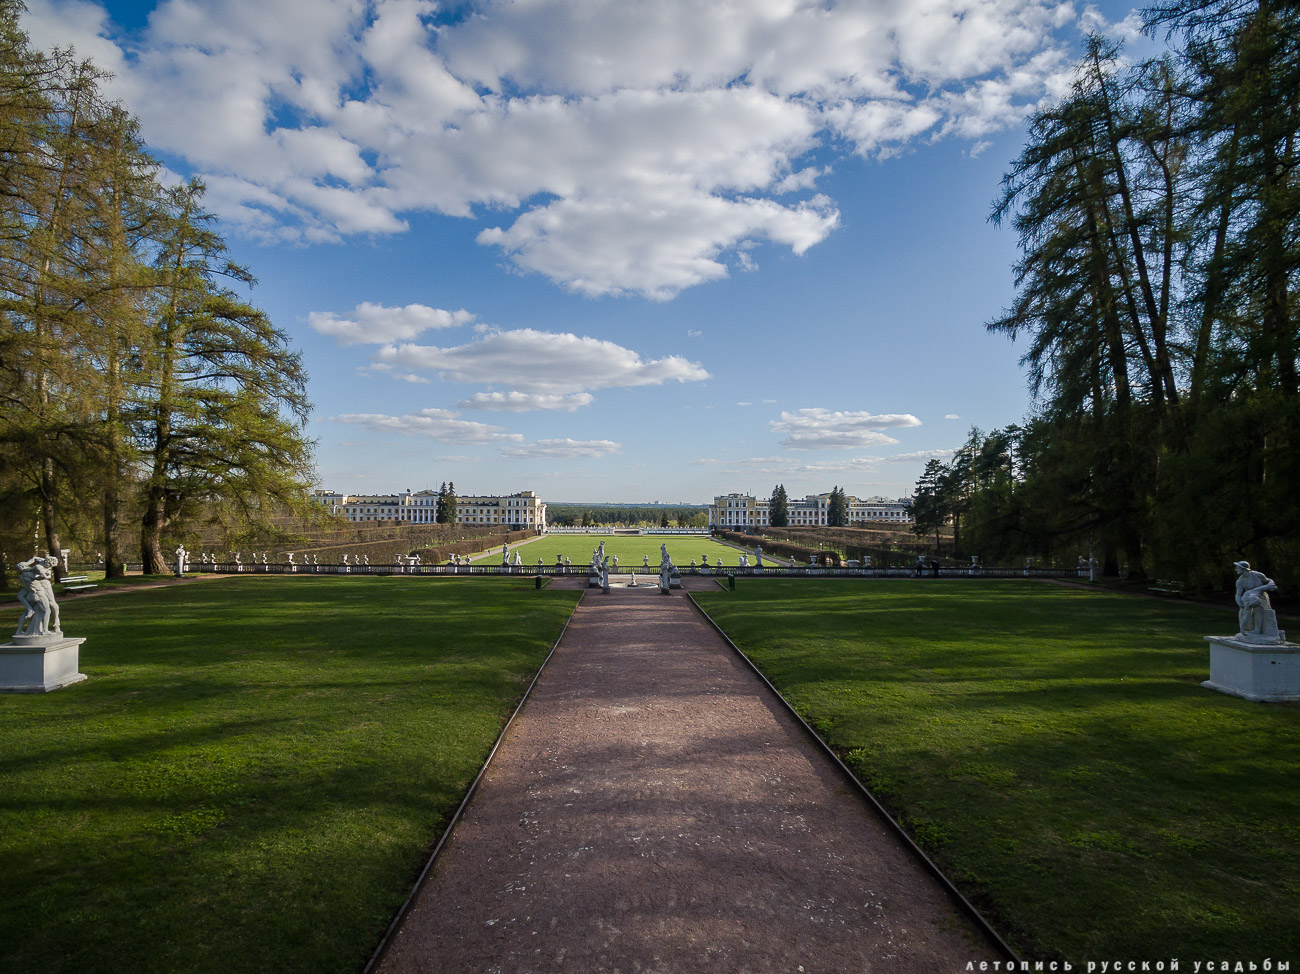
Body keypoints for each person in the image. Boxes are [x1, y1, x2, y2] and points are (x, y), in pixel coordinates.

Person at [1234, 561, 1280, 639]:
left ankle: (1258, 629)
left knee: (1259, 609)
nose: (1236, 569)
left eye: (1237, 568)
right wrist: (1240, 603)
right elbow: (1238, 594)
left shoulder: (1258, 575)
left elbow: (1269, 581)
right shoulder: (1240, 581)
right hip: (1248, 597)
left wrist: (1270, 585)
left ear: (1244, 569)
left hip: (1261, 596)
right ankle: (1247, 629)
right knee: (1244, 612)